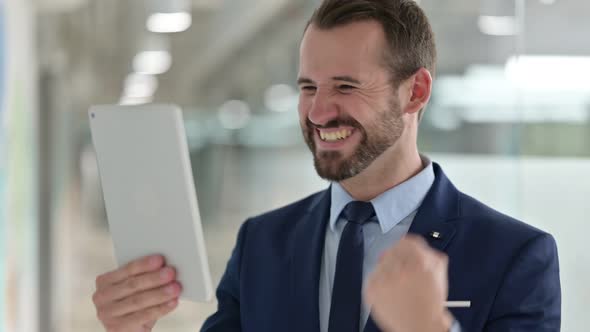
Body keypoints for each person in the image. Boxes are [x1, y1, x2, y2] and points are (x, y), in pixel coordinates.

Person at [92, 0, 561, 331]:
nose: (318, 113)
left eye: (345, 86)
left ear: (415, 92)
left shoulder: (516, 257)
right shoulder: (262, 242)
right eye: (308, 88)